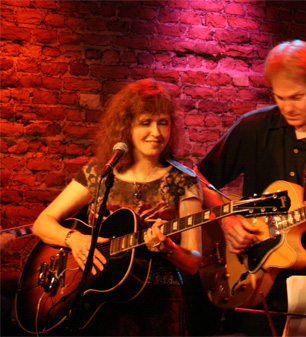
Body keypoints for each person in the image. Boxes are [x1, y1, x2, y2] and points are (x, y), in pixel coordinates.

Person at [195, 40, 306, 336]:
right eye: (279, 97)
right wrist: (227, 222)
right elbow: (197, 177)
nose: (287, 107)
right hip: (254, 281)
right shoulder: (252, 128)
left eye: (297, 97)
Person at [32, 78, 203, 336]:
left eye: (163, 122)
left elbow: (193, 262)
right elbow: (42, 223)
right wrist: (75, 239)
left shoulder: (184, 182)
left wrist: (169, 249)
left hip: (158, 308)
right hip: (98, 305)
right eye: (145, 122)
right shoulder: (98, 174)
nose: (156, 132)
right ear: (127, 126)